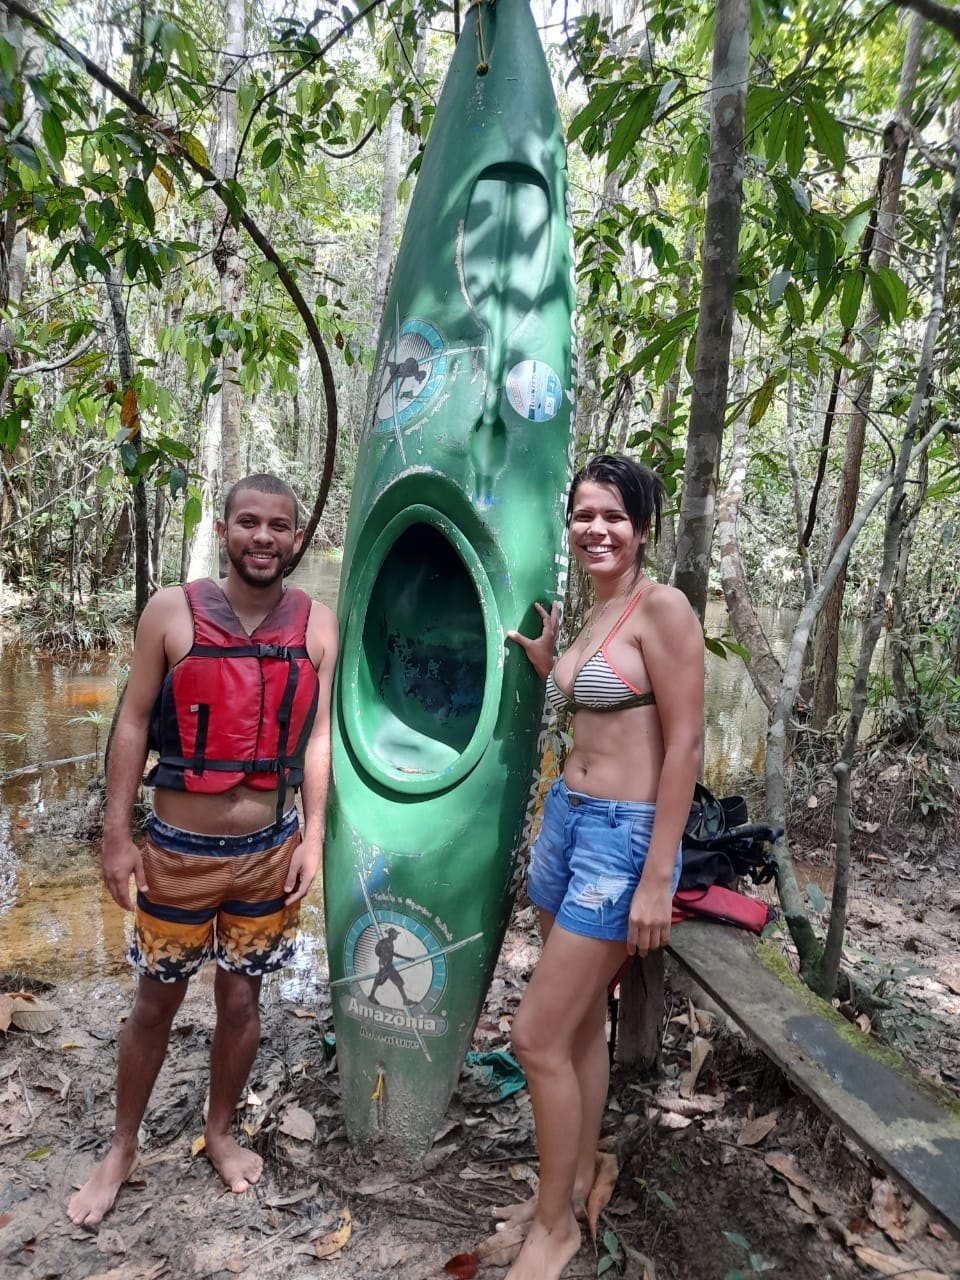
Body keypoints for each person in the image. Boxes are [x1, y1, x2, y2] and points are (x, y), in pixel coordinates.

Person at [67, 473, 339, 1226]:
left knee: (241, 998)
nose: (262, 538)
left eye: (277, 526)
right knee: (155, 1003)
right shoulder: (171, 613)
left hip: (267, 850)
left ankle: (219, 1133)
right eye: (248, 523)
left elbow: (318, 738)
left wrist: (313, 836)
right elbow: (130, 723)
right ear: (225, 530)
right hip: (178, 850)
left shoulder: (318, 625)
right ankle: (122, 1148)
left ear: (294, 538)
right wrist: (118, 836)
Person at [499, 454, 704, 1280]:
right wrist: (553, 662)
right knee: (580, 1023)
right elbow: (602, 700)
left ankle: (554, 1228)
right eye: (584, 514)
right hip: (568, 825)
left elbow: (684, 741)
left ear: (642, 528)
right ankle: (579, 1176)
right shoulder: (598, 612)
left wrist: (658, 876)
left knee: (534, 1035)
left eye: (614, 515)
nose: (596, 528)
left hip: (624, 840)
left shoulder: (665, 610)